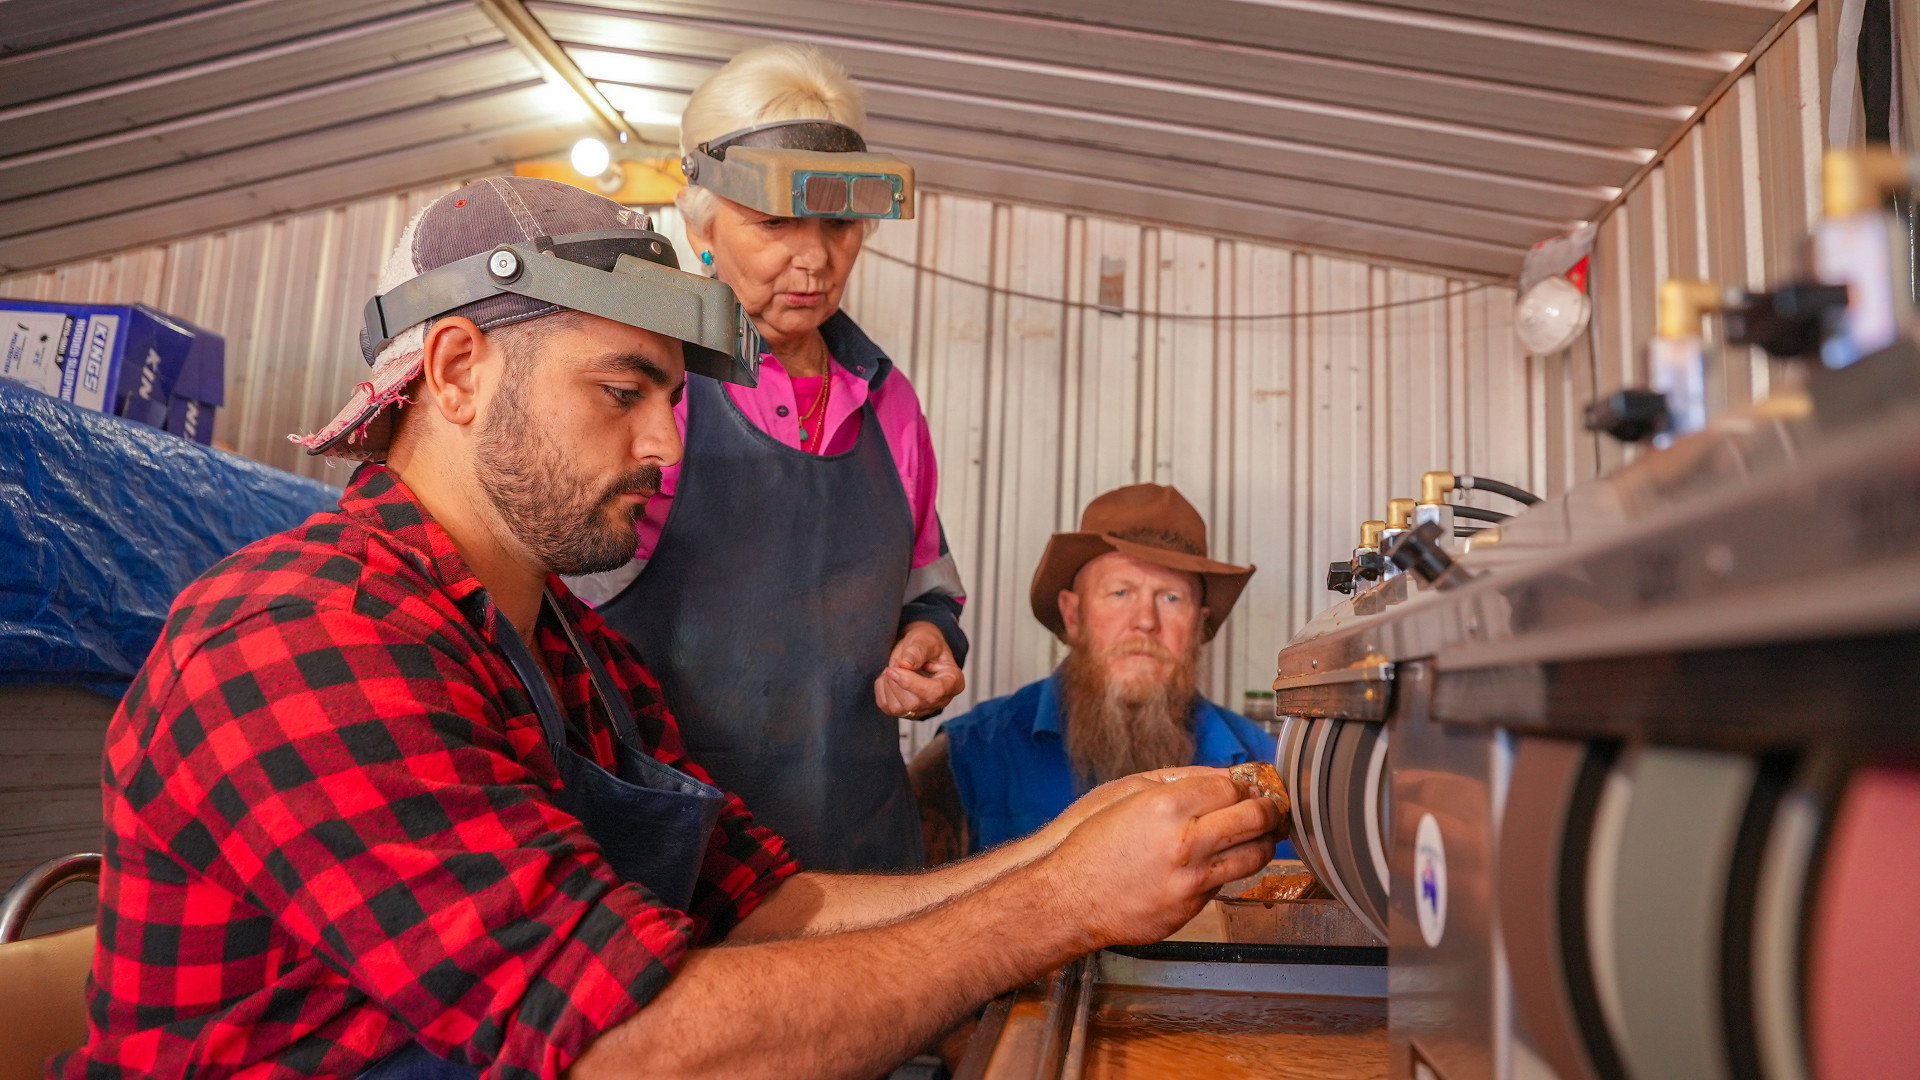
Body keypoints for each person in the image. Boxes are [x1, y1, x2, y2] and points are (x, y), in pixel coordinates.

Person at [56, 177, 1283, 1080]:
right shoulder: (302, 640)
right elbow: (627, 1046)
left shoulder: (571, 655)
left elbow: (771, 907)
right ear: (460, 368)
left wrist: (1083, 837)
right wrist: (1060, 903)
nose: (664, 444)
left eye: (672, 398)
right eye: (624, 392)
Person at [570, 44, 960, 874]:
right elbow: (553, 618)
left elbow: (928, 583)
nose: (815, 259)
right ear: (704, 223)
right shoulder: (646, 389)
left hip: (864, 859)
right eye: (776, 223)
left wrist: (929, 638)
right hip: (684, 871)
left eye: (840, 224)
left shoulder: (887, 400)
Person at [912, 484, 1288, 863]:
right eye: (1120, 592)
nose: (1145, 621)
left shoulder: (1270, 767)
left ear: (1198, 626)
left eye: (1171, 597)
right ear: (1073, 616)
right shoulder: (970, 756)